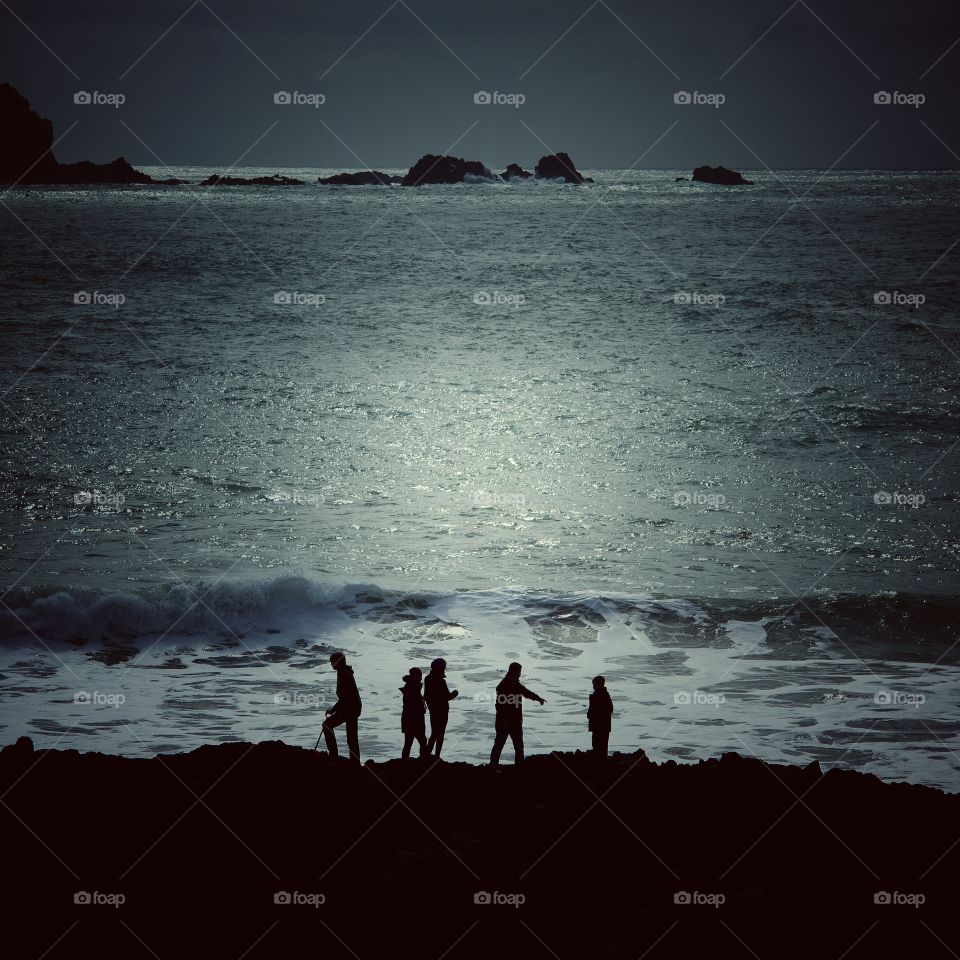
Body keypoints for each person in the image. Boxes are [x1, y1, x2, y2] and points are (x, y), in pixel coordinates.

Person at [489, 661, 545, 765]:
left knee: (518, 747)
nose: (520, 674)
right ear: (514, 672)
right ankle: (493, 767)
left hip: (515, 721)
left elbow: (525, 692)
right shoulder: (503, 685)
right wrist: (505, 721)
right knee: (500, 746)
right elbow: (499, 706)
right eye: (519, 672)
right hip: (505, 722)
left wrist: (538, 698)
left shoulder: (515, 683)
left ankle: (518, 768)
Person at [322, 652, 362, 763]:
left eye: (332, 662)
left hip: (350, 709)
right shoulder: (344, 672)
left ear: (338, 662)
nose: (331, 664)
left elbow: (345, 698)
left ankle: (334, 756)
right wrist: (335, 710)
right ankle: (355, 763)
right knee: (352, 738)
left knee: (327, 725)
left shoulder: (344, 674)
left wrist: (334, 710)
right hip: (353, 708)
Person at [425, 658, 458, 758]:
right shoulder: (441, 681)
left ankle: (427, 755)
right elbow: (447, 697)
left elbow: (426, 696)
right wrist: (455, 693)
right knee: (440, 733)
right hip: (442, 710)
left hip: (433, 709)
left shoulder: (427, 678)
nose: (445, 669)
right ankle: (436, 755)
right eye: (444, 667)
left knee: (434, 733)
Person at [400, 667, 428, 759]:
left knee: (408, 742)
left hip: (408, 719)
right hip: (415, 719)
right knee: (422, 741)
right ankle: (422, 759)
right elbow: (415, 705)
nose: (421, 677)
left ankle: (405, 761)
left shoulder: (410, 686)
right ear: (415, 676)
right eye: (419, 675)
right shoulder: (414, 687)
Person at [588, 675, 613, 759]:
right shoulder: (605, 695)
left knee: (598, 745)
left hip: (599, 726)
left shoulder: (599, 696)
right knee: (602, 746)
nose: (593, 687)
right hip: (603, 726)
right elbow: (610, 709)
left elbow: (594, 711)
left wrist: (591, 715)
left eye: (594, 684)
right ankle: (601, 762)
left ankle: (600, 764)